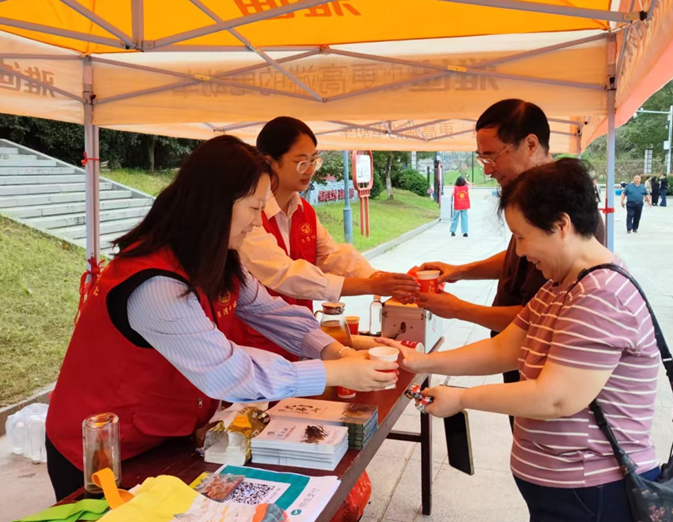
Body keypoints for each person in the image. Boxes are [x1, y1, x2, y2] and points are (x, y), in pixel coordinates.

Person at [44, 136, 397, 501]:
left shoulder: (220, 259)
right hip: (103, 451)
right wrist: (334, 372)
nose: (257, 222)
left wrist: (334, 351)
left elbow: (270, 311)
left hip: (165, 437)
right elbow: (229, 373)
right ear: (214, 205)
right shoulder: (155, 284)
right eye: (253, 208)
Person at [383, 159, 660, 522]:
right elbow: (505, 348)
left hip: (593, 492)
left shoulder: (601, 295)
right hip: (567, 493)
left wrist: (461, 398)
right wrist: (420, 362)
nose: (520, 252)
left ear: (561, 225)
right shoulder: (561, 284)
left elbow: (556, 398)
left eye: (522, 236)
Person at [413, 99, 606, 428]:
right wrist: (461, 272)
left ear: (530, 144)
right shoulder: (551, 280)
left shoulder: (595, 291)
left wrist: (458, 311)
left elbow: (553, 397)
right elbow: (507, 345)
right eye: (482, 158)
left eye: (492, 156)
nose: (487, 168)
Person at [237, 117, 419, 354]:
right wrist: (370, 284)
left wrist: (378, 277)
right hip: (256, 342)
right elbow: (284, 273)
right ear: (270, 162)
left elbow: (331, 255)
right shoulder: (248, 216)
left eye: (314, 161)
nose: (310, 170)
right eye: (301, 162)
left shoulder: (304, 211)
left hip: (301, 335)